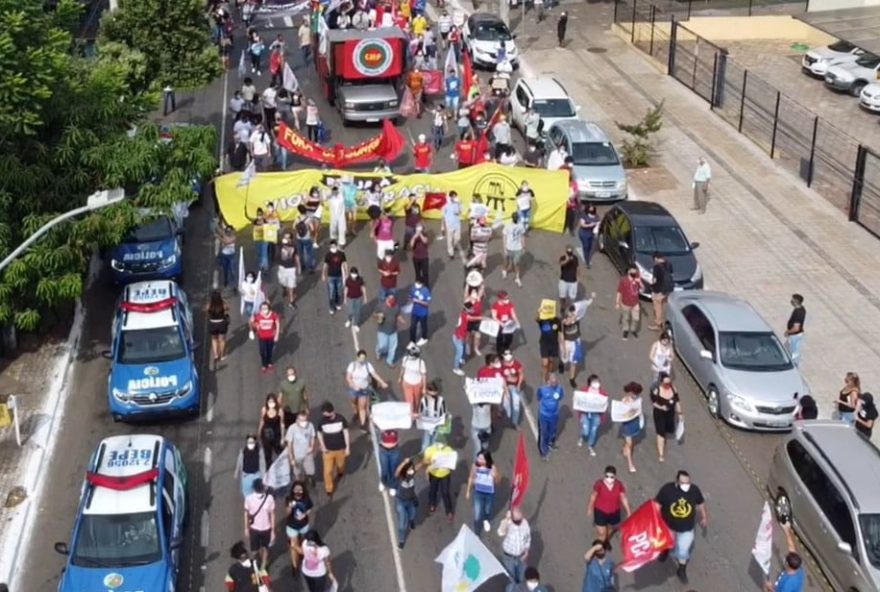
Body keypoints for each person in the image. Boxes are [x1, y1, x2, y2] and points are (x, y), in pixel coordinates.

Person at [655, 470, 708, 584]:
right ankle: (665, 551)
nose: (686, 485)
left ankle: (681, 569)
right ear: (677, 482)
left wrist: (704, 517)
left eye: (688, 482)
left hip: (686, 529)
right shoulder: (667, 490)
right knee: (667, 542)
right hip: (668, 526)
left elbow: (701, 503)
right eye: (683, 483)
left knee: (683, 550)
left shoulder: (694, 490)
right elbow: (657, 505)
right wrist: (656, 520)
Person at [587, 465, 631, 544]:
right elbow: (593, 496)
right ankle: (599, 547)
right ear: (604, 475)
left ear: (615, 476)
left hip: (614, 511)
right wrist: (590, 508)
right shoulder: (599, 484)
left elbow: (623, 497)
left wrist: (628, 511)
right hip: (600, 511)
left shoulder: (619, 485)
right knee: (602, 533)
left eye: (611, 477)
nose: (609, 479)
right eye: (607, 476)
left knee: (611, 529)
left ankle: (605, 541)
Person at [346, 349, 388, 428]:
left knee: (362, 406)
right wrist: (354, 386)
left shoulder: (368, 365)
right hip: (353, 389)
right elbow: (348, 378)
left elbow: (374, 374)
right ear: (357, 357)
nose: (362, 360)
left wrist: (382, 382)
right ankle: (356, 412)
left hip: (364, 389)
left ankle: (363, 423)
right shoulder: (352, 365)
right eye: (360, 358)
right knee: (354, 402)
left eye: (364, 358)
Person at [317, 402, 350, 498]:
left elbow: (345, 432)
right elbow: (319, 433)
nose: (326, 418)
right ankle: (329, 489)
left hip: (340, 449)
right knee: (327, 471)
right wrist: (322, 445)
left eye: (327, 415)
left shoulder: (341, 419)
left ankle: (340, 471)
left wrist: (347, 447)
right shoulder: (321, 422)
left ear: (332, 412)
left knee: (341, 464)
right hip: (328, 451)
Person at [465, 450, 501, 535]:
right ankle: (476, 532)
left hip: (489, 493)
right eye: (479, 458)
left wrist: (495, 476)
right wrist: (468, 491)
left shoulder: (492, 468)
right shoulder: (475, 467)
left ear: (487, 460)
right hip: (478, 492)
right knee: (477, 514)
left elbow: (498, 481)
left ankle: (486, 519)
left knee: (487, 510)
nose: (479, 460)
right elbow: (471, 478)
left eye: (482, 458)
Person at [420, 435, 455, 521]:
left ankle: (449, 510)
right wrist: (431, 462)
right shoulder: (430, 450)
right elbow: (425, 461)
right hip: (434, 473)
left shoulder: (449, 450)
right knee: (433, 490)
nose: (440, 445)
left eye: (442, 443)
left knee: (445, 492)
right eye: (438, 443)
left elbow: (452, 462)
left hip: (445, 474)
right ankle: (432, 504)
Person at [651, 372, 683, 463]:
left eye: (669, 383)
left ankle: (662, 439)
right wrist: (661, 407)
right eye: (666, 384)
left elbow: (677, 401)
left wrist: (680, 413)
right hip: (659, 414)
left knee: (667, 430)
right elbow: (654, 403)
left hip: (670, 414)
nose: (668, 385)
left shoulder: (673, 389)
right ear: (661, 382)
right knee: (660, 432)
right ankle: (661, 454)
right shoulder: (657, 390)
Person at [243, 479, 275, 569]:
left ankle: (263, 565)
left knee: (262, 548)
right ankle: (256, 564)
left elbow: (272, 514)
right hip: (256, 528)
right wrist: (246, 528)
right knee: (257, 549)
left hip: (263, 528)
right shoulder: (249, 499)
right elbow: (246, 513)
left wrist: (272, 530)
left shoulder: (269, 499)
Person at [764, 522, 805, 592]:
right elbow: (792, 548)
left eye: (786, 560)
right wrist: (786, 530)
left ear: (788, 565)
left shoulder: (787, 584)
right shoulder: (799, 569)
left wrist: (769, 587)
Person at [285, 481, 314, 574]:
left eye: (300, 489)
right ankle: (295, 566)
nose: (298, 491)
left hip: (303, 526)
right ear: (293, 490)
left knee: (302, 541)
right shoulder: (289, 499)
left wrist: (305, 514)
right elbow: (287, 513)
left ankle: (301, 552)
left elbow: (310, 508)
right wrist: (289, 507)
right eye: (296, 489)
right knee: (294, 546)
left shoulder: (306, 499)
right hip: (292, 526)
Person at [498, 508, 531, 589]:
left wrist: (526, 550)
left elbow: (528, 537)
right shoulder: (507, 523)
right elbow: (500, 532)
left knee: (520, 577)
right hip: (509, 557)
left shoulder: (524, 523)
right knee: (511, 579)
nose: (519, 522)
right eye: (516, 520)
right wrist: (506, 519)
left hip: (521, 556)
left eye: (520, 519)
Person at [578, 376, 608, 455]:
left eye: (597, 381)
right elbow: (579, 403)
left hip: (596, 416)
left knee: (593, 431)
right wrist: (580, 415)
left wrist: (602, 418)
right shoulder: (584, 391)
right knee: (586, 431)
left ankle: (590, 446)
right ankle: (582, 437)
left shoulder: (602, 393)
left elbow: (604, 407)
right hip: (585, 414)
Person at [537, 374, 564, 460]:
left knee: (552, 431)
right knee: (544, 433)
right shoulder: (542, 389)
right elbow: (538, 397)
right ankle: (543, 452)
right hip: (544, 415)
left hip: (554, 415)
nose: (554, 383)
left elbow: (560, 397)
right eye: (552, 382)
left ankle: (549, 444)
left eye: (555, 381)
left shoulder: (559, 388)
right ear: (548, 381)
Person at [286, 409, 317, 486]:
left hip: (307, 454)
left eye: (305, 420)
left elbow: (313, 436)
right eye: (301, 420)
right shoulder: (292, 428)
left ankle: (310, 478)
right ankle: (299, 485)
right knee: (297, 473)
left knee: (311, 471)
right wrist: (292, 458)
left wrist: (312, 446)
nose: (304, 422)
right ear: (297, 420)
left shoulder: (310, 426)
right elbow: (289, 444)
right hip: (296, 455)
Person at [619, 382, 644, 473]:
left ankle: (625, 448)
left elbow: (640, 411)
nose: (634, 395)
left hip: (635, 422)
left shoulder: (639, 399)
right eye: (633, 393)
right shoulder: (624, 400)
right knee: (630, 443)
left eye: (636, 393)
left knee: (631, 441)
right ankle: (630, 463)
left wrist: (641, 421)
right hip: (627, 423)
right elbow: (621, 412)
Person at [394, 457, 419, 548]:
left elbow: (419, 466)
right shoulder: (401, 476)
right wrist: (404, 463)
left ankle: (411, 521)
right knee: (402, 523)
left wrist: (427, 462)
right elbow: (397, 471)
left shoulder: (412, 474)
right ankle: (401, 541)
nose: (412, 470)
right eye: (410, 469)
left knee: (412, 514)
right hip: (401, 502)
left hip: (411, 499)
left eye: (412, 468)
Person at [537, 302, 562, 383]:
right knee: (545, 363)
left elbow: (560, 333)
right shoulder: (543, 319)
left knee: (551, 361)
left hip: (554, 344)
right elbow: (536, 319)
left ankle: (550, 373)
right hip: (544, 344)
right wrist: (538, 312)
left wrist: (563, 346)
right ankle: (544, 377)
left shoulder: (557, 321)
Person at [251, 302, 280, 372]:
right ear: (260, 309)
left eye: (266, 308)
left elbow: (277, 324)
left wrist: (277, 335)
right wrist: (254, 324)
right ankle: (264, 364)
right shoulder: (258, 316)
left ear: (269, 308)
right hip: (261, 337)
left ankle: (269, 362)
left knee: (270, 350)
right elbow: (253, 324)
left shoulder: (273, 315)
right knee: (262, 351)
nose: (264, 310)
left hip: (271, 336)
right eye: (262, 309)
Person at [235, 434, 267, 499]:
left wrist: (263, 476)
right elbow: (239, 460)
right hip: (246, 475)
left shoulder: (259, 451)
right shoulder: (243, 450)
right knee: (247, 495)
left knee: (258, 494)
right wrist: (236, 471)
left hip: (256, 475)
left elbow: (262, 464)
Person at [648, 252, 674, 331]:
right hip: (668, 290)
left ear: (656, 258)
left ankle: (658, 325)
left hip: (659, 290)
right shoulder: (669, 264)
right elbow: (672, 275)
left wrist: (651, 284)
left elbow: (655, 281)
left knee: (658, 307)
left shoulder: (656, 267)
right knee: (664, 306)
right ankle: (665, 322)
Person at [257, 393, 285, 466]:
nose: (271, 404)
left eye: (273, 402)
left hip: (276, 434)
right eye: (269, 402)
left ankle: (280, 467)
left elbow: (282, 424)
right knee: (267, 455)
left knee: (280, 452)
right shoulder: (264, 410)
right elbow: (262, 421)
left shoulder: (280, 411)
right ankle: (268, 470)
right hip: (266, 434)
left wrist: (282, 437)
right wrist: (259, 431)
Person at [419, 380, 448, 450]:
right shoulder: (423, 400)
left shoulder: (441, 400)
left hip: (437, 424)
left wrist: (444, 417)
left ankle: (432, 455)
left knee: (435, 442)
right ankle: (424, 455)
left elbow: (444, 411)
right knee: (426, 443)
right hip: (427, 425)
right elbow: (420, 412)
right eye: (430, 395)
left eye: (434, 395)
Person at [561, 305, 585, 389]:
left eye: (573, 311)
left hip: (575, 341)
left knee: (574, 362)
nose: (572, 313)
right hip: (567, 342)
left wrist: (591, 299)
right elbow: (566, 323)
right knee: (565, 358)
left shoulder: (577, 318)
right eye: (570, 311)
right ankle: (562, 363)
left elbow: (584, 308)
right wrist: (563, 347)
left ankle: (571, 378)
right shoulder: (563, 319)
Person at [616, 266, 643, 339]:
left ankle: (633, 330)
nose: (634, 273)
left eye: (635, 271)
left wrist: (639, 282)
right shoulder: (623, 280)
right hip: (625, 303)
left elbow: (643, 289)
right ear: (629, 272)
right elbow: (619, 291)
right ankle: (625, 330)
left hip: (635, 303)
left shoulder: (637, 279)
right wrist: (617, 303)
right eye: (633, 271)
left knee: (636, 319)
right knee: (626, 318)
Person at [400, 343, 428, 414]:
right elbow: (403, 369)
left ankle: (415, 411)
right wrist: (400, 377)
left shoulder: (421, 363)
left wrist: (424, 387)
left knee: (417, 400)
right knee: (410, 401)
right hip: (407, 382)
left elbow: (423, 375)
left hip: (417, 384)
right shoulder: (405, 359)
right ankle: (411, 414)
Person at [322, 240, 348, 315]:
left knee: (339, 291)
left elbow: (344, 264)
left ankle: (337, 303)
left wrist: (346, 274)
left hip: (339, 276)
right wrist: (323, 274)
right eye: (331, 246)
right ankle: (331, 307)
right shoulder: (328, 255)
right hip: (331, 276)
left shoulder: (341, 254)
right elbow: (325, 265)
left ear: (336, 246)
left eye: (334, 246)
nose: (333, 248)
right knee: (331, 292)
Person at [464, 270, 486, 357]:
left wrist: (481, 282)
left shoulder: (478, 300)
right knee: (468, 334)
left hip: (477, 320)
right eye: (472, 293)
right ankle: (468, 347)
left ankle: (476, 348)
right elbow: (466, 292)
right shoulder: (467, 300)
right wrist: (468, 283)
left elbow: (481, 290)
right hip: (469, 319)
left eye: (475, 293)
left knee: (477, 335)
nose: (474, 294)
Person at [207, 290, 230, 369]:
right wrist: (223, 300)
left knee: (214, 339)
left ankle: (216, 354)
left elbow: (207, 310)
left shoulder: (210, 305)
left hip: (212, 323)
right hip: (221, 323)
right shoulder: (222, 305)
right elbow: (228, 308)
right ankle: (222, 355)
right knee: (222, 339)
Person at [278, 231, 301, 308]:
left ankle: (291, 301)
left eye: (288, 237)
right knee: (282, 282)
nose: (286, 239)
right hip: (282, 268)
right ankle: (285, 288)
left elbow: (296, 256)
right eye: (285, 237)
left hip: (291, 268)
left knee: (291, 285)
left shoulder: (294, 246)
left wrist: (299, 267)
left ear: (291, 239)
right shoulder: (280, 244)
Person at [502, 212, 526, 287]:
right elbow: (504, 236)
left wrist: (523, 246)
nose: (516, 219)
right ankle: (504, 270)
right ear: (512, 218)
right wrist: (504, 248)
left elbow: (522, 236)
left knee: (516, 263)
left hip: (517, 248)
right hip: (509, 247)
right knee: (507, 260)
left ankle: (517, 277)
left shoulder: (521, 225)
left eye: (517, 218)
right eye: (515, 218)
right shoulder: (508, 225)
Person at [441, 191, 464, 260]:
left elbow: (460, 212)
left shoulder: (457, 204)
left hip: (457, 224)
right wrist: (442, 226)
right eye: (454, 196)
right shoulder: (445, 206)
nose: (455, 198)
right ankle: (451, 253)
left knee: (458, 238)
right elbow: (442, 216)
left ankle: (454, 246)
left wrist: (459, 204)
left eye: (456, 196)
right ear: (450, 197)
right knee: (449, 239)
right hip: (449, 224)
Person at [784, 294, 806, 368]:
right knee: (786, 350)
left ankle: (793, 367)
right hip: (795, 335)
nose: (791, 301)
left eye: (792, 299)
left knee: (792, 353)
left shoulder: (798, 313)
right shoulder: (801, 309)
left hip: (795, 336)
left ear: (796, 301)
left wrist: (788, 332)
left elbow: (796, 328)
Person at [378, 428, 402, 495]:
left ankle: (393, 485)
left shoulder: (395, 420)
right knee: (384, 469)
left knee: (393, 469)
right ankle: (383, 482)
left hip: (394, 449)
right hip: (383, 449)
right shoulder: (382, 420)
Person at [409, 278, 432, 346]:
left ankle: (424, 338)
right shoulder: (413, 289)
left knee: (423, 326)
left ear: (422, 284)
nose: (417, 285)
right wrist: (411, 300)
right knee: (413, 327)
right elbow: (410, 297)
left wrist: (418, 301)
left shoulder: (426, 291)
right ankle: (412, 341)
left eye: (419, 283)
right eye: (416, 283)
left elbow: (427, 303)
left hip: (423, 313)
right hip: (414, 312)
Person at [578, 205, 600, 269]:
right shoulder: (584, 215)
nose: (591, 209)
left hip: (591, 234)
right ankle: (587, 262)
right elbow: (582, 225)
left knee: (590, 247)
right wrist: (590, 225)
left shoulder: (596, 216)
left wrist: (597, 225)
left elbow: (598, 222)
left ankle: (587, 257)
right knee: (586, 247)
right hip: (584, 234)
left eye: (592, 208)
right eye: (590, 208)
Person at [558, 246, 579, 312]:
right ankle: (563, 306)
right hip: (563, 280)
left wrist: (578, 277)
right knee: (562, 295)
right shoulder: (563, 258)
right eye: (568, 252)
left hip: (573, 281)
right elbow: (562, 264)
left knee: (572, 297)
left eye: (570, 252)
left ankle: (571, 307)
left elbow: (577, 267)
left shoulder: (575, 258)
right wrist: (567, 260)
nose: (569, 253)